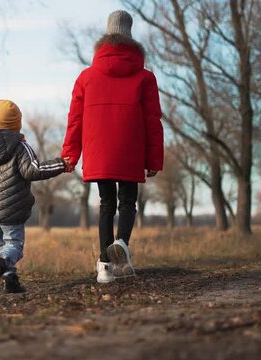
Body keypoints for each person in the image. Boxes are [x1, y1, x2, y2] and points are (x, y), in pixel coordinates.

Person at [61, 10, 163, 283]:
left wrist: (70, 154)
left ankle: (105, 266)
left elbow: (75, 119)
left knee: (106, 204)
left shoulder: (86, 77)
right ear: (130, 37)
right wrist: (154, 159)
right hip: (130, 150)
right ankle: (123, 246)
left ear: (105, 38)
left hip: (98, 151)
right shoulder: (145, 77)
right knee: (128, 202)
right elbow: (153, 121)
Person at [0, 100, 67, 293]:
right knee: (14, 245)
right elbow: (33, 170)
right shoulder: (20, 146)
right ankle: (1, 264)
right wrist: (61, 164)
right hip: (13, 207)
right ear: (17, 123)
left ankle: (11, 281)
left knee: (0, 245)